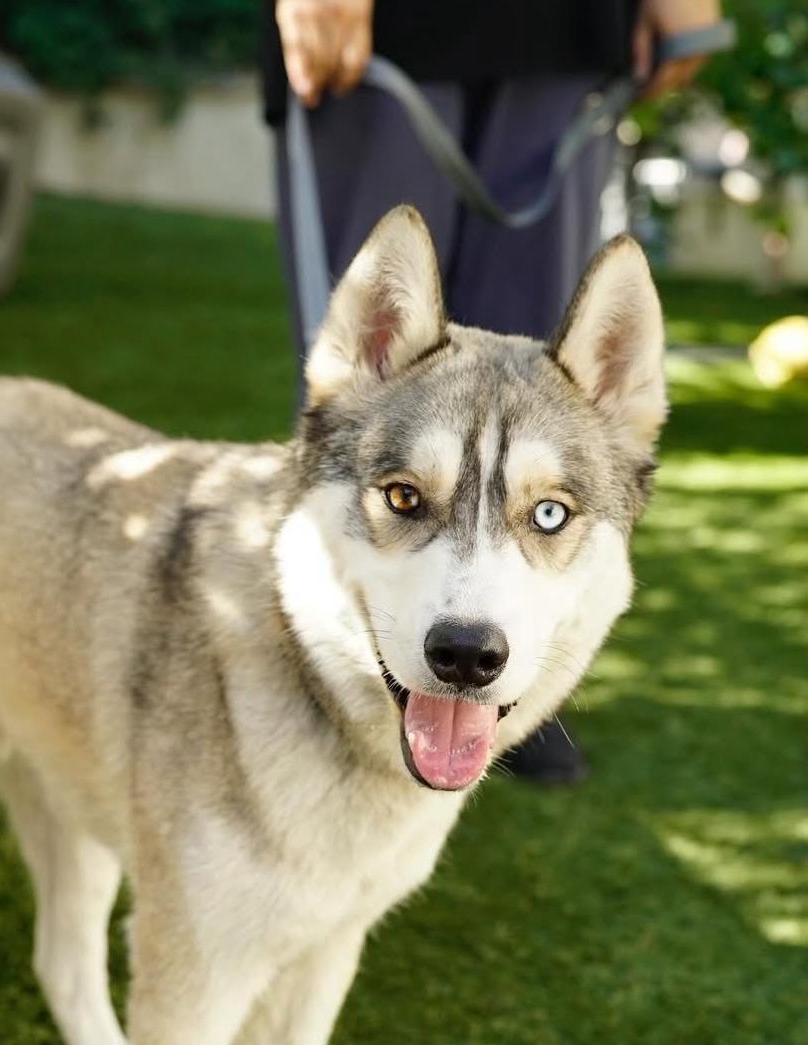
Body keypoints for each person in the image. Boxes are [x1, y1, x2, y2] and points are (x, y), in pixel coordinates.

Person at [262, 0, 722, 782]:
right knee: (378, 395)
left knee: (545, 397)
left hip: (562, 28)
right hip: (382, 29)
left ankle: (504, 690)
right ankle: (296, 672)